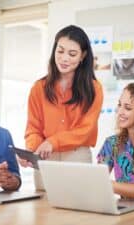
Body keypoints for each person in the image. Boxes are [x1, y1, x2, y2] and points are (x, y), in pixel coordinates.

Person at [22, 25, 103, 189]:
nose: (64, 58)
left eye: (72, 54)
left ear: (83, 56)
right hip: (45, 156)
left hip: (76, 156)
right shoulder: (39, 88)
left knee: (77, 210)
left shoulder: (94, 89)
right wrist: (31, 152)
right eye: (60, 51)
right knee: (42, 209)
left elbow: (85, 129)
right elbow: (33, 128)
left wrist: (53, 142)